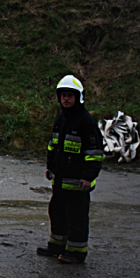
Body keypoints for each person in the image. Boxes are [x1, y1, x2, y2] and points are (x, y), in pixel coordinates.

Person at [37, 75, 104, 264]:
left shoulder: (86, 121)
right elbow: (53, 145)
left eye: (70, 95)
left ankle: (76, 252)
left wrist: (88, 177)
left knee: (76, 216)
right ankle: (57, 246)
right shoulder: (61, 118)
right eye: (63, 95)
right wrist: (50, 167)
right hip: (59, 179)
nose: (66, 99)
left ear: (78, 97)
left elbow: (95, 153)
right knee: (57, 212)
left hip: (77, 183)